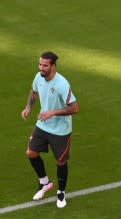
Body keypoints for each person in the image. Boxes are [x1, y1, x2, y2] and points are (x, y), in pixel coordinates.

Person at [21, 51, 79, 208]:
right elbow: (33, 92)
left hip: (60, 129)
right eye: (40, 64)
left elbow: (74, 108)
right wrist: (28, 107)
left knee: (60, 162)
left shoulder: (62, 84)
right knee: (31, 153)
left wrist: (53, 112)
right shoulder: (38, 77)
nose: (41, 68)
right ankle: (44, 182)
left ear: (53, 66)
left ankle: (61, 192)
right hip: (43, 124)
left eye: (45, 65)